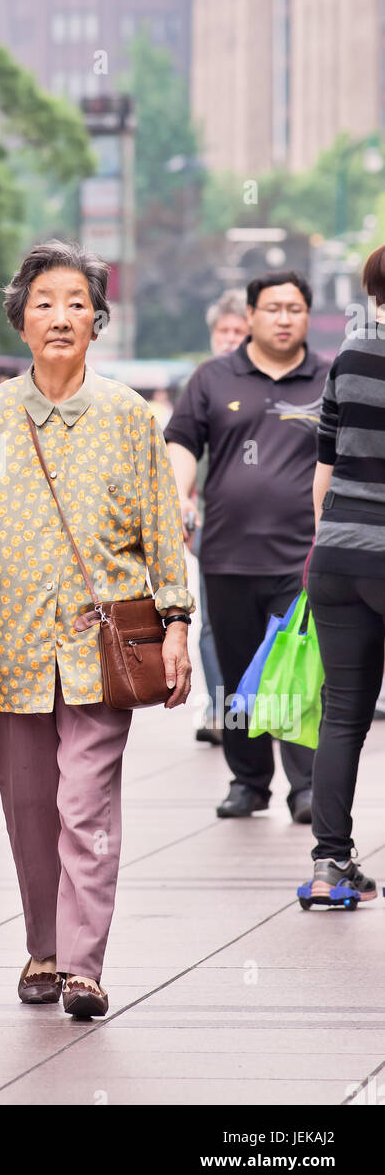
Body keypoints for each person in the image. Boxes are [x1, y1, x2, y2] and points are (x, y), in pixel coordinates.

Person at [0, 241, 194, 1017]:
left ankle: (83, 966)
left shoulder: (127, 417)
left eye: (76, 302)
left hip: (101, 649)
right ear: (21, 319)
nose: (60, 316)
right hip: (6, 653)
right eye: (45, 302)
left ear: (97, 320)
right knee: (29, 812)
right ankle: (41, 950)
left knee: (86, 804)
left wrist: (177, 623)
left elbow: (162, 528)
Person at [165, 271, 330, 822]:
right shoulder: (214, 378)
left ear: (307, 315)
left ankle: (305, 787)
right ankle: (249, 782)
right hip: (227, 555)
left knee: (297, 669)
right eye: (273, 308)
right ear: (252, 315)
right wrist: (180, 493)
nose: (284, 318)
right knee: (238, 675)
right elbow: (182, 443)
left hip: (304, 558)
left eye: (294, 308)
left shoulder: (328, 380)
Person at [301, 248, 385, 903]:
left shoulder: (349, 357)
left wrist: (329, 540)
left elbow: (323, 471)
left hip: (336, 556)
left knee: (343, 715)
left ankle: (329, 865)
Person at [185, 290, 249, 745]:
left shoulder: (263, 382)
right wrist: (183, 503)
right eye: (223, 332)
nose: (229, 339)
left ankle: (257, 708)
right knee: (211, 621)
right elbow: (180, 450)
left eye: (237, 332)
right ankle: (222, 710)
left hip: (267, 527)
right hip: (209, 520)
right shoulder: (202, 383)